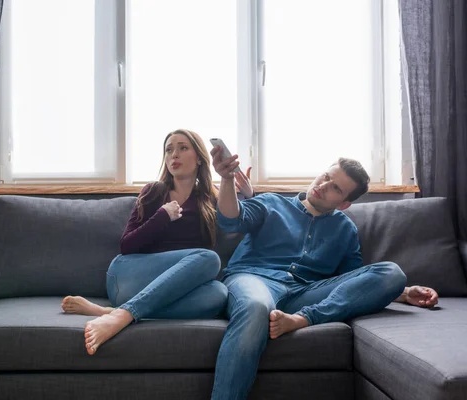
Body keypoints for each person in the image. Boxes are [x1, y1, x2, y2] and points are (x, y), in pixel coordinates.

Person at [209, 147, 439, 400]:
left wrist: (403, 293)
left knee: (393, 273)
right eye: (326, 176)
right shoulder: (271, 202)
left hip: (304, 295)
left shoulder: (345, 229)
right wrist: (227, 179)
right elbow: (231, 219)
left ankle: (305, 319)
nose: (324, 185)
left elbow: (354, 281)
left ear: (344, 203)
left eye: (336, 188)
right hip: (254, 280)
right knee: (255, 306)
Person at [62, 129, 254, 355]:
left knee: (219, 294)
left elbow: (237, 218)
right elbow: (127, 246)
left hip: (163, 291)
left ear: (200, 158)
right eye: (169, 149)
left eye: (183, 148)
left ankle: (113, 312)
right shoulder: (154, 191)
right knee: (209, 259)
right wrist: (162, 216)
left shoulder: (209, 198)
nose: (174, 155)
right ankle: (124, 314)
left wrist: (248, 195)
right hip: (128, 276)